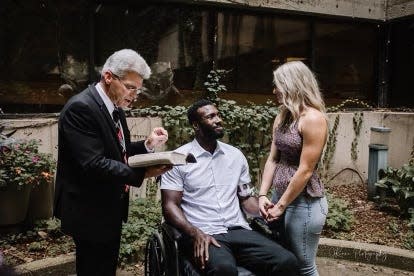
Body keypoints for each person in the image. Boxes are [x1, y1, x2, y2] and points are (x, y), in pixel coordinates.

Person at [53, 49, 171, 276]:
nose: (135, 95)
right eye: (130, 87)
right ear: (109, 77)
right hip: (88, 209)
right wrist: (143, 174)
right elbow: (94, 163)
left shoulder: (115, 108)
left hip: (109, 207)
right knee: (93, 269)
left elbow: (119, 152)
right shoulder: (81, 108)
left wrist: (147, 144)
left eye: (138, 89)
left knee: (106, 267)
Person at [161, 99, 298, 276]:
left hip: (238, 230)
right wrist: (194, 232)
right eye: (210, 116)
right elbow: (170, 205)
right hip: (205, 233)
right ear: (196, 125)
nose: (218, 119)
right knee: (224, 270)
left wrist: (264, 209)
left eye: (218, 115)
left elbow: (246, 199)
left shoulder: (235, 156)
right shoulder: (178, 159)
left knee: (287, 262)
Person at [258, 61, 329, 276]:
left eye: (278, 84)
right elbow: (272, 159)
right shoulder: (283, 115)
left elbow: (306, 169)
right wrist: (262, 195)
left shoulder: (313, 119)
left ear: (292, 85)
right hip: (279, 196)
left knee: (304, 266)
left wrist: (281, 206)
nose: (274, 90)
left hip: (304, 202)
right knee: (284, 260)